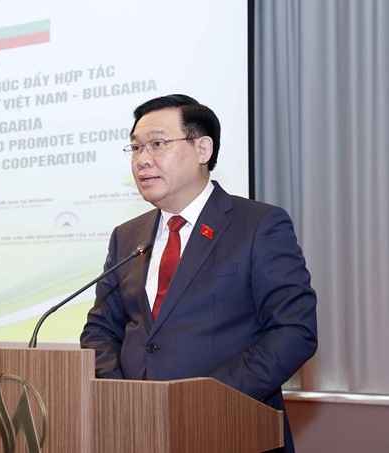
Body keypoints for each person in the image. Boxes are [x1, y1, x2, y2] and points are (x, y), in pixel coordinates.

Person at [80, 94, 317, 452]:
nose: (142, 160)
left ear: (202, 149)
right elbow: (100, 329)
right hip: (133, 429)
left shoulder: (258, 225)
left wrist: (206, 398)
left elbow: (294, 330)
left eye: (157, 144)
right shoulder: (127, 236)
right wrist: (120, 395)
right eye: (135, 148)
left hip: (228, 427)